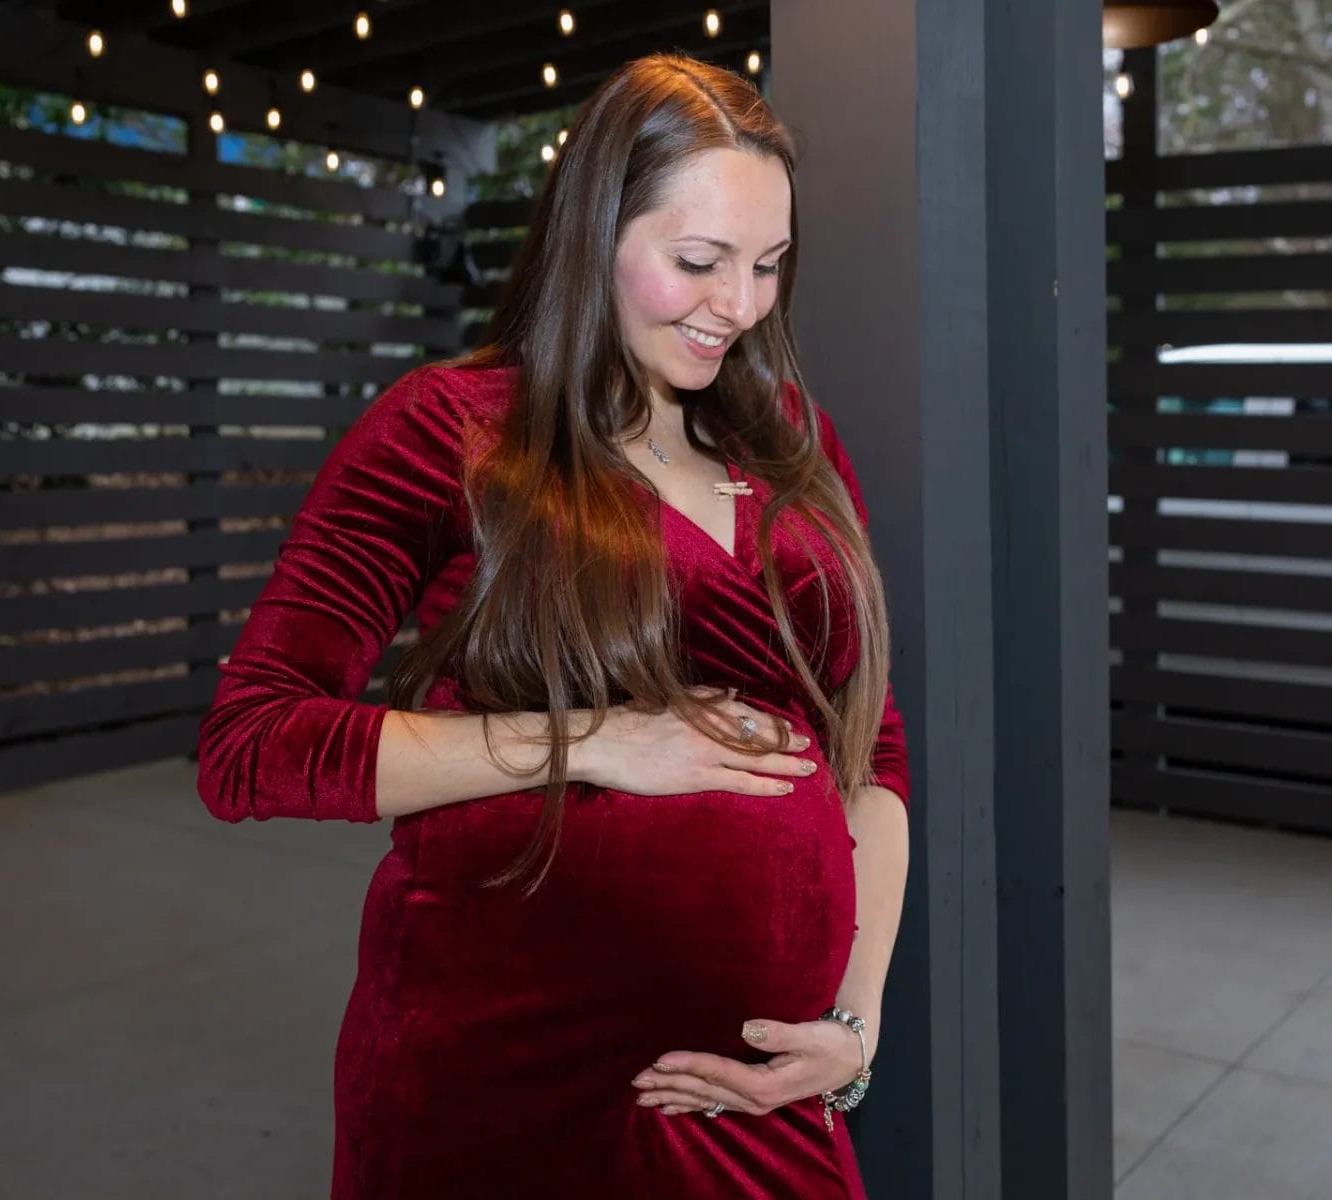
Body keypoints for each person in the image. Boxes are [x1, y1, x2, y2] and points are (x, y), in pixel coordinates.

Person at [195, 52, 911, 1200]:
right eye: (699, 262)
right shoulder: (451, 432)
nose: (740, 306)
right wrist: (596, 739)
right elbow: (252, 746)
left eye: (769, 266)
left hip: (753, 1090)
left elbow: (868, 750)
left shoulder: (794, 445)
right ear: (595, 232)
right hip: (502, 1072)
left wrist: (854, 1027)